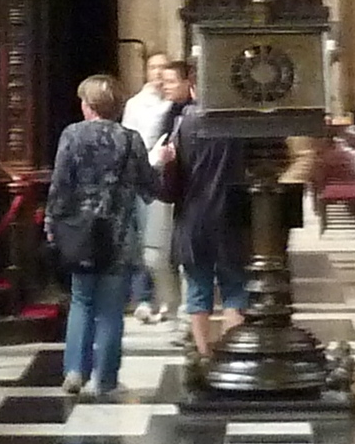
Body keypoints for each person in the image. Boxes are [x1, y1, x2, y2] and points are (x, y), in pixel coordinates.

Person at [44, 74, 154, 402]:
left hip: (80, 232)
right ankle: (103, 379)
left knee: (81, 299)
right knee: (110, 308)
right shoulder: (130, 139)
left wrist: (52, 221)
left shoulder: (72, 135)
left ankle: (75, 370)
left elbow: (60, 184)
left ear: (88, 106)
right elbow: (149, 187)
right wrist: (162, 164)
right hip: (118, 233)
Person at [158, 58, 247, 362]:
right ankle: (233, 352)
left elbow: (173, 176)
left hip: (193, 214)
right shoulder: (237, 121)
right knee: (234, 287)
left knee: (197, 289)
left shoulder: (185, 122)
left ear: (195, 86)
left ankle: (204, 354)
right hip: (232, 214)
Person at [122, 56, 180, 323]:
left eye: (162, 69)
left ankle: (167, 297)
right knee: (139, 238)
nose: (158, 73)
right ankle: (142, 297)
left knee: (159, 242)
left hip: (164, 173)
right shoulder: (135, 104)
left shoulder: (174, 105)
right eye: (153, 68)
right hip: (139, 171)